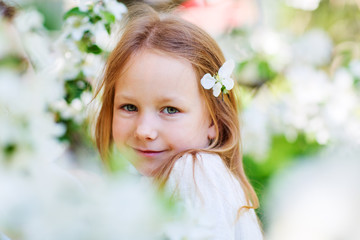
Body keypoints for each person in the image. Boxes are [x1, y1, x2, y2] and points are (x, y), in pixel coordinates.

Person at [94, 4, 263, 239]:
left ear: (214, 122)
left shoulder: (196, 171)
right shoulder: (149, 182)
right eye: (129, 107)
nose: (144, 131)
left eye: (170, 110)